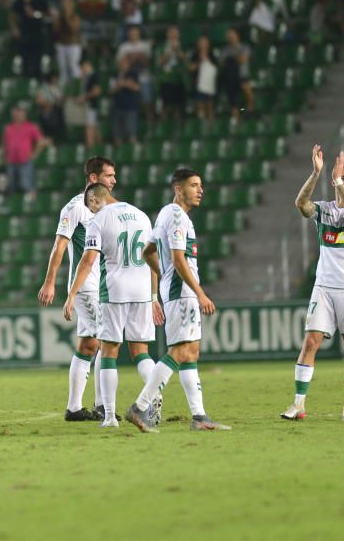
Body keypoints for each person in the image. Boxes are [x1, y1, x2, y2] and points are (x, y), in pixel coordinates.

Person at [126, 169, 230, 432]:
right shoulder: (177, 217)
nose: (200, 190)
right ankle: (140, 407)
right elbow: (178, 258)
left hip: (175, 291)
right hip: (182, 293)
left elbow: (147, 251)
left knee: (190, 353)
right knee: (181, 351)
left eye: (201, 185)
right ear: (178, 189)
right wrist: (200, 293)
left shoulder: (164, 214)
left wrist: (162, 275)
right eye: (194, 185)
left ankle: (199, 416)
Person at [284, 147, 344, 422]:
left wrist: (337, 185)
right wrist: (316, 174)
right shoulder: (323, 210)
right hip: (323, 286)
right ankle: (298, 405)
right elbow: (301, 204)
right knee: (310, 341)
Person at [63, 184, 159, 428]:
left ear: (95, 200)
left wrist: (72, 293)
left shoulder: (99, 219)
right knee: (141, 351)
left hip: (113, 291)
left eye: (89, 206)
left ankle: (108, 417)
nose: (90, 211)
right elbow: (153, 257)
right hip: (142, 291)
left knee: (108, 351)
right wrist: (155, 295)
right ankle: (153, 395)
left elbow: (87, 260)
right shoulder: (142, 216)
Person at [38, 157, 121, 422]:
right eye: (109, 176)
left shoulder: (108, 208)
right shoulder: (75, 208)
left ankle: (74, 408)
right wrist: (50, 282)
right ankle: (100, 405)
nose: (114, 180)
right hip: (86, 286)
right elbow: (59, 246)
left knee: (88, 344)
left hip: (101, 284)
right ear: (94, 179)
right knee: (104, 341)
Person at [2, 106, 48, 200]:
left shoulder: (31, 126)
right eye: (17, 114)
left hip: (24, 160)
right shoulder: (9, 128)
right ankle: (14, 204)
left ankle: (31, 203)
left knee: (26, 184)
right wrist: (4, 156)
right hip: (11, 160)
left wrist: (34, 154)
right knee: (11, 185)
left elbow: (41, 141)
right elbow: (5, 144)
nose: (19, 116)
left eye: (21, 114)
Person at [10, 0, 49, 79]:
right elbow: (12, 16)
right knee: (24, 57)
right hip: (24, 32)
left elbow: (46, 14)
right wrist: (15, 28)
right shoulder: (19, 1)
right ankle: (25, 78)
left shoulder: (38, 0)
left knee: (37, 56)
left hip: (37, 31)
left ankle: (37, 77)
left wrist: (35, 14)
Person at [218, 28, 254, 121]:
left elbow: (244, 59)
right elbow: (221, 64)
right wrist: (234, 59)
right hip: (230, 77)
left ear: (237, 36)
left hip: (243, 75)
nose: (231, 38)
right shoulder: (225, 49)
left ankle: (249, 109)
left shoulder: (244, 47)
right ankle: (237, 120)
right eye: (229, 37)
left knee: (247, 89)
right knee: (233, 101)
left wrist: (231, 59)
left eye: (232, 36)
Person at [158, 26, 187, 123]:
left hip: (178, 79)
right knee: (165, 106)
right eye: (171, 33)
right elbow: (160, 62)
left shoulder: (182, 46)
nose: (173, 35)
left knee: (178, 107)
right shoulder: (162, 46)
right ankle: (161, 130)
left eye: (176, 33)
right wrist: (170, 50)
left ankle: (178, 131)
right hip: (166, 79)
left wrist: (177, 50)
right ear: (168, 34)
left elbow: (185, 60)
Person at [111, 55, 141, 145]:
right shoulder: (115, 74)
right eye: (120, 63)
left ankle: (133, 156)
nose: (122, 64)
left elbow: (137, 87)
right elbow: (111, 90)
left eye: (124, 62)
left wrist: (123, 84)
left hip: (130, 107)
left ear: (128, 64)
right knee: (117, 134)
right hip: (117, 106)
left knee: (131, 134)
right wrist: (123, 84)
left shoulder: (133, 74)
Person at [189, 35, 217, 124]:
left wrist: (207, 60)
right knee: (200, 105)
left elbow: (216, 68)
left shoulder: (212, 55)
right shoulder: (195, 55)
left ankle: (211, 125)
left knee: (210, 105)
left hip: (209, 85)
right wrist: (200, 61)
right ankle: (201, 125)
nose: (203, 45)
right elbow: (191, 68)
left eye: (205, 43)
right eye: (201, 43)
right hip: (197, 84)